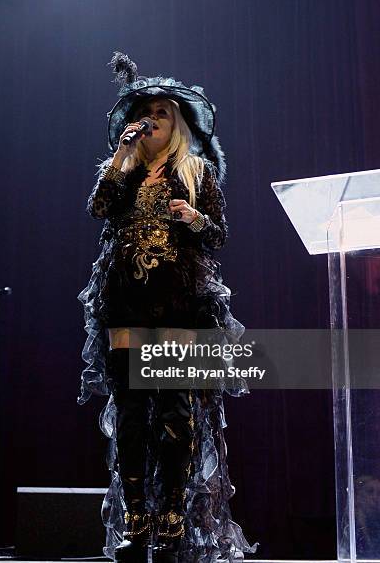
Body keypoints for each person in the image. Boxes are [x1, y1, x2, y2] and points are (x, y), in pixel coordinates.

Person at [77, 52, 258, 563]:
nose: (152, 120)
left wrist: (195, 218)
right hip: (126, 304)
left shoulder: (197, 171)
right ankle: (136, 519)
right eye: (146, 113)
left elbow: (219, 236)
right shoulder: (123, 174)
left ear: (176, 123)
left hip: (179, 307)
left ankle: (173, 517)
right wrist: (119, 156)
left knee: (176, 413)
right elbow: (98, 210)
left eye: (162, 113)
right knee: (133, 413)